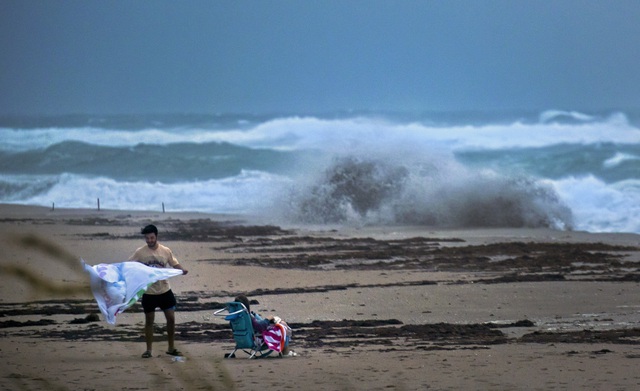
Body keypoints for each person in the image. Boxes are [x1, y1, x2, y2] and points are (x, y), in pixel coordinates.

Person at [129, 224, 188, 358]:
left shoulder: (165, 251)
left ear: (156, 236)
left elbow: (174, 263)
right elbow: (130, 264)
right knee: (149, 321)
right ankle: (148, 350)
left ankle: (171, 348)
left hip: (164, 290)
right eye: (147, 238)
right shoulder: (140, 252)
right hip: (149, 292)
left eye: (151, 237)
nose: (149, 240)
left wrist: (181, 269)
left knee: (171, 319)